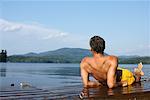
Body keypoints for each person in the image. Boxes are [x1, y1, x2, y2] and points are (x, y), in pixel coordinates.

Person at [80, 36, 144, 88]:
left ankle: (137, 74)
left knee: (136, 79)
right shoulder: (112, 59)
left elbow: (86, 84)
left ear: (91, 49)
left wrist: (123, 82)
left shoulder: (84, 62)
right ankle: (137, 72)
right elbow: (110, 84)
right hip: (118, 74)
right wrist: (104, 84)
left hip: (123, 76)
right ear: (104, 48)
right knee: (121, 72)